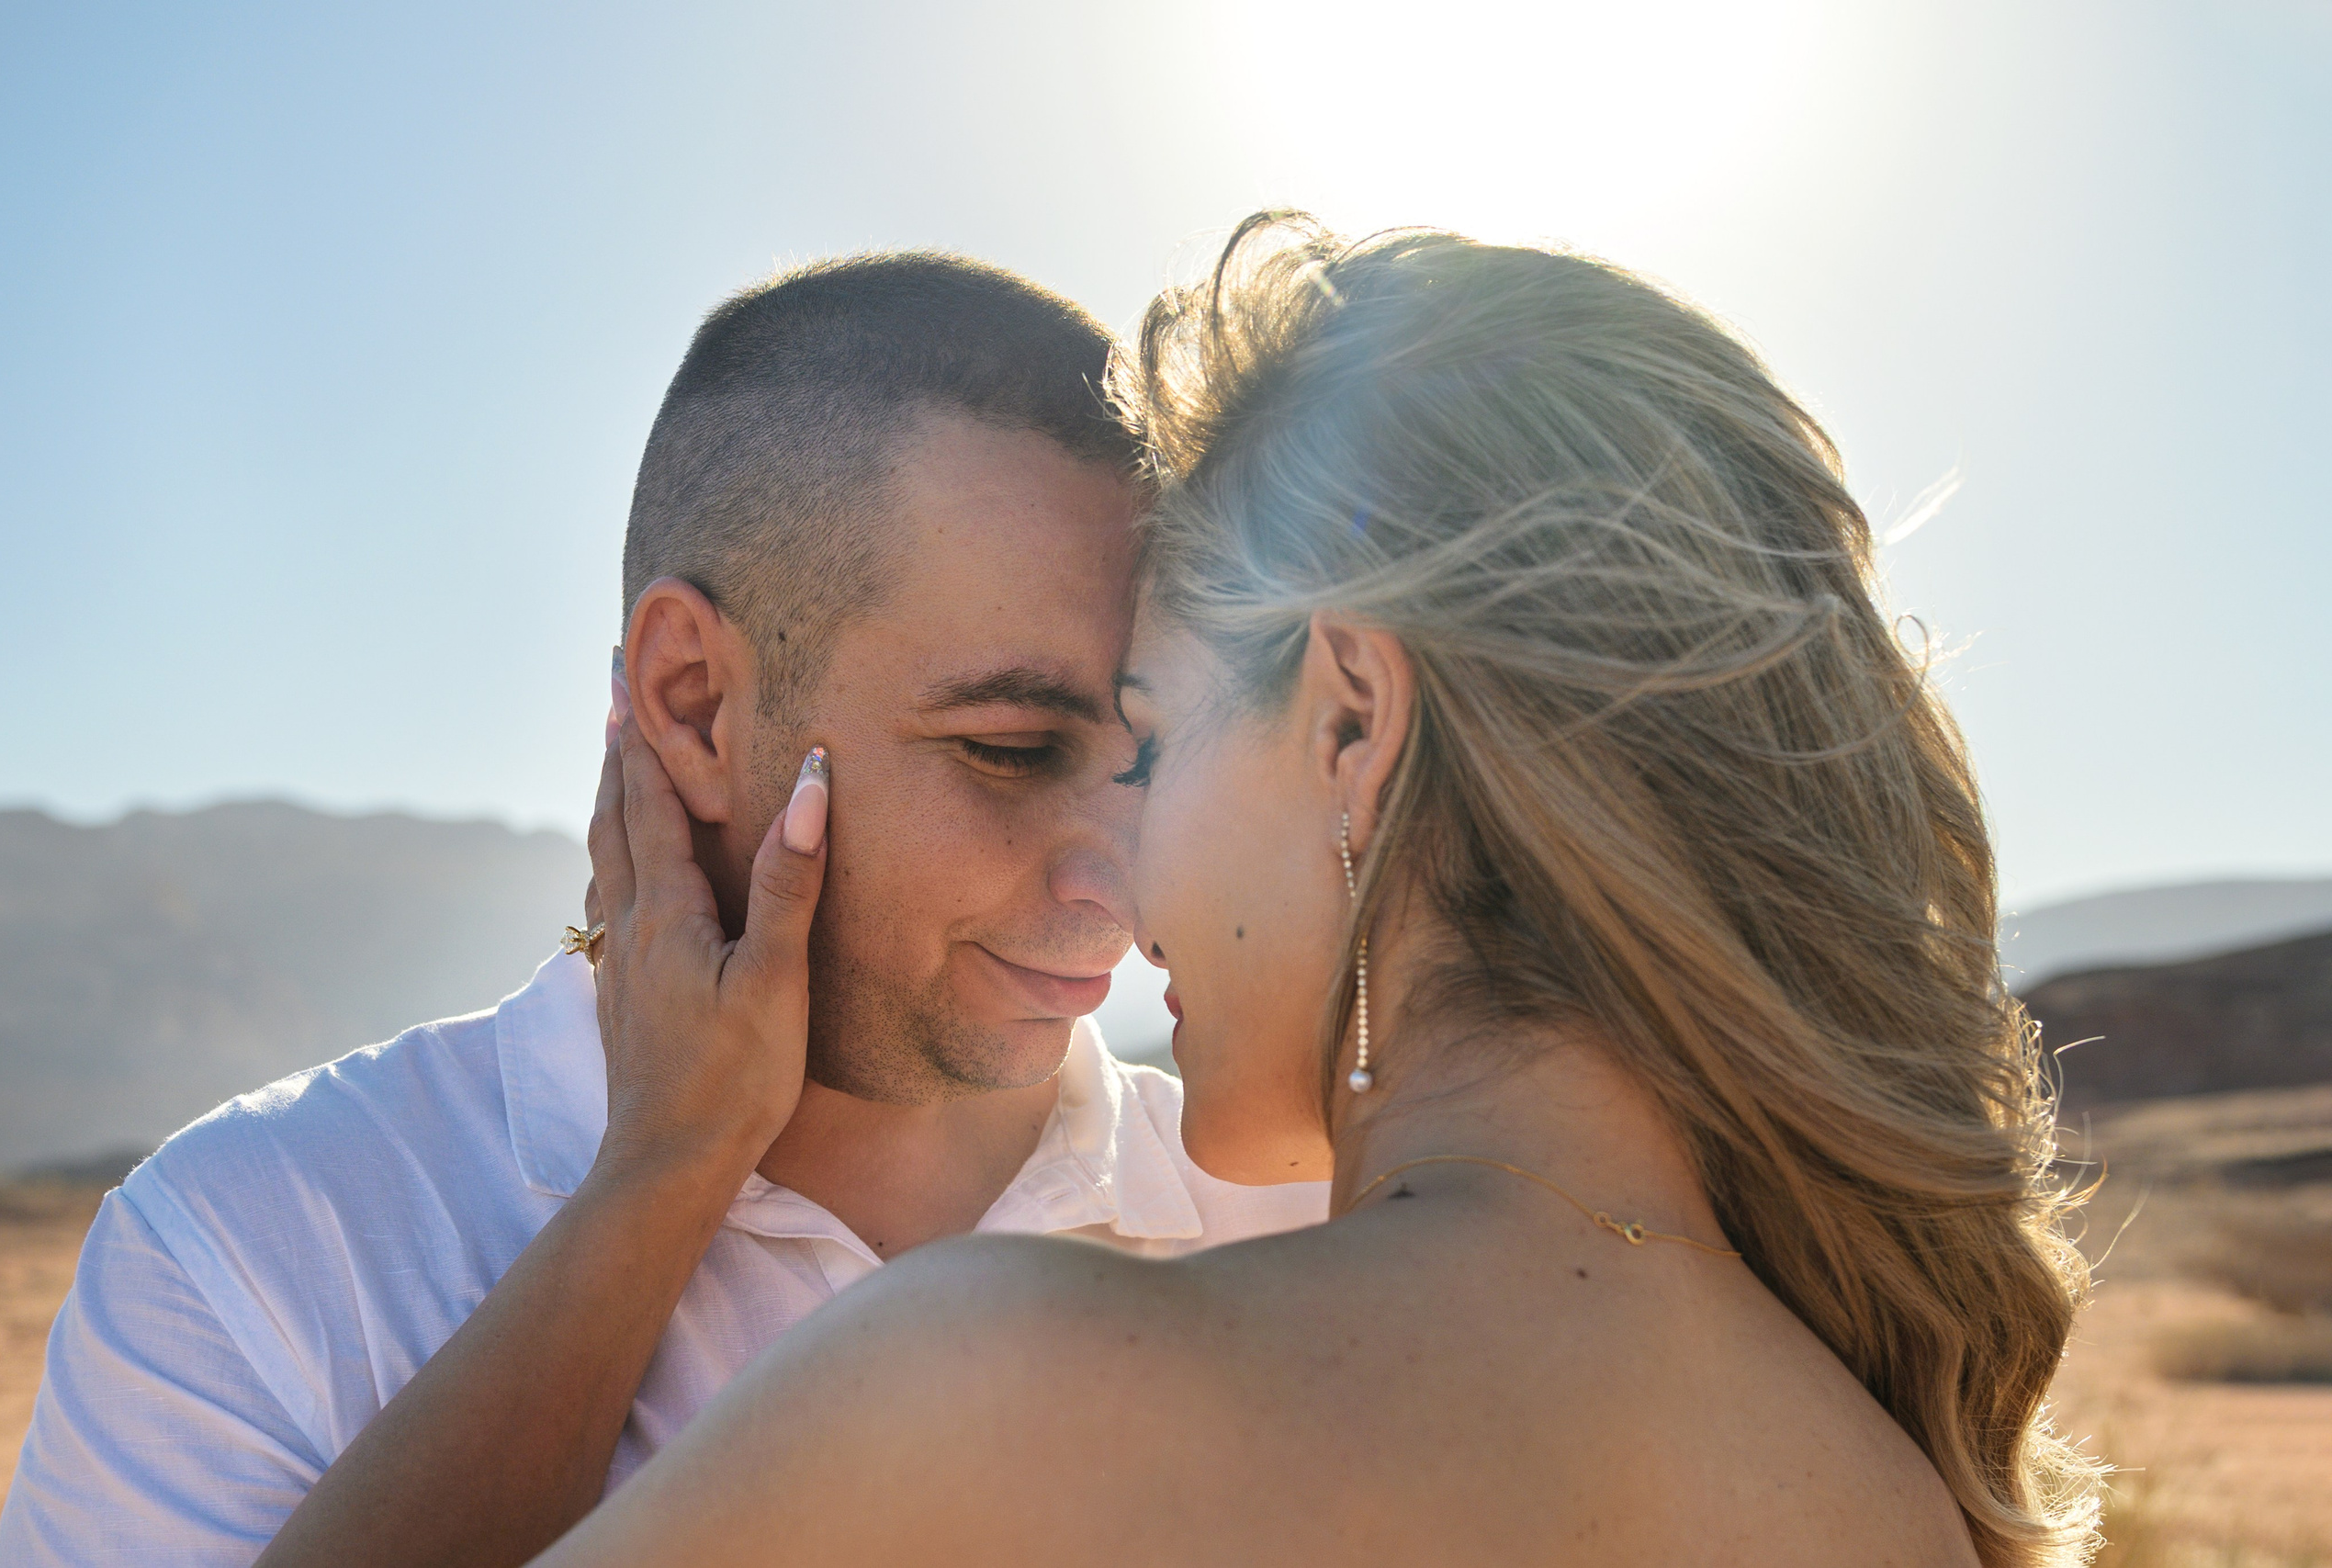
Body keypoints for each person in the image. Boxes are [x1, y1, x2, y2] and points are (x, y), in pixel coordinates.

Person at [525, 214, 2106, 1567]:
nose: (1118, 880)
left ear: (1352, 719)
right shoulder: (1887, 1487)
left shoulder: (1000, 1389)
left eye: (1146, 735)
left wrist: (657, 1169)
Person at [0, 254, 1326, 1567]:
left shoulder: (1306, 1237)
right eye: (1008, 749)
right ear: (691, 700)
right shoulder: (257, 1253)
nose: (1119, 882)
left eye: (1151, 757)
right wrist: (664, 1179)